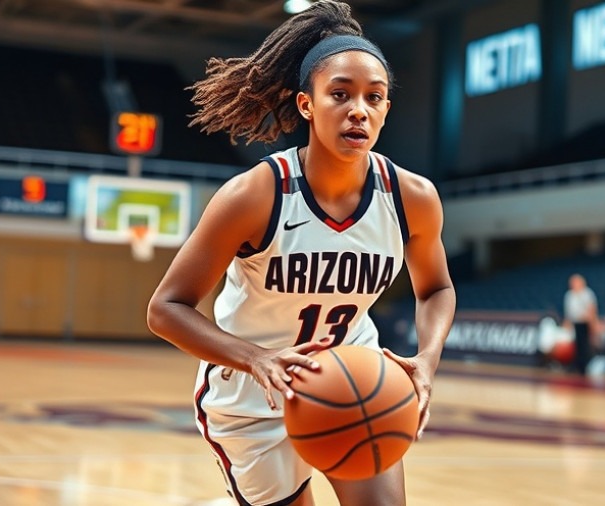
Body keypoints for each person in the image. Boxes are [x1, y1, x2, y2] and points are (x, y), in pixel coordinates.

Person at [147, 2, 456, 505]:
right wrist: (258, 359)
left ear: (385, 110)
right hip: (252, 397)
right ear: (307, 104)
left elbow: (437, 287)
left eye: (374, 97)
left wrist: (427, 358)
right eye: (340, 93)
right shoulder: (255, 195)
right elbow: (165, 309)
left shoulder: (412, 198)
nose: (359, 109)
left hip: (352, 380)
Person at [563, 274, 597, 375]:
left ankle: (585, 366)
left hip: (584, 323)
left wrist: (592, 323)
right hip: (575, 323)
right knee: (576, 346)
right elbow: (568, 311)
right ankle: (576, 365)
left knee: (585, 346)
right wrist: (567, 322)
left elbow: (592, 309)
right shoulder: (569, 295)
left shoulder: (587, 293)